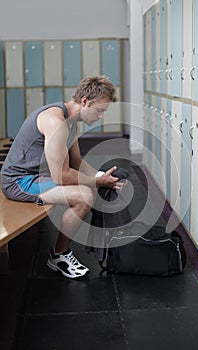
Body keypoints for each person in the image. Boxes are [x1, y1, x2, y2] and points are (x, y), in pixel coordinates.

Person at [1, 76, 126, 279]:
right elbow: (61, 176)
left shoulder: (71, 123)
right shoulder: (55, 121)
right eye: (100, 110)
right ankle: (59, 255)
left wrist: (103, 176)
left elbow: (76, 161)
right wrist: (96, 182)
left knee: (89, 187)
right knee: (83, 195)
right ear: (85, 101)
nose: (101, 117)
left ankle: (63, 252)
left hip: (37, 177)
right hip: (19, 182)